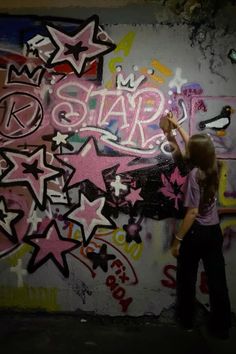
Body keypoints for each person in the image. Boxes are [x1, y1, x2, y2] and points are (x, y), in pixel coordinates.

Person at [161, 112, 231, 339]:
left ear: (195, 154)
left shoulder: (193, 175)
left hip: (195, 233)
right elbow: (194, 145)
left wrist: (178, 240)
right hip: (213, 232)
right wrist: (175, 127)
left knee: (186, 279)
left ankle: (187, 321)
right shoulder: (215, 166)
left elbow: (191, 213)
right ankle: (221, 327)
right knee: (217, 281)